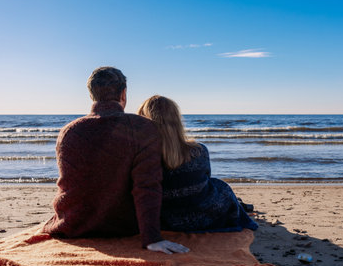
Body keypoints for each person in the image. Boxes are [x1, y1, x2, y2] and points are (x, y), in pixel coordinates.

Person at [43, 67, 189, 255]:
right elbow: (147, 186)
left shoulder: (69, 131)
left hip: (73, 225)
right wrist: (152, 238)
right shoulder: (142, 128)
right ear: (124, 93)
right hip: (123, 227)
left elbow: (71, 184)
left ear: (91, 95)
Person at [137, 95, 258, 232]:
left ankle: (240, 204)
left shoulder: (141, 156)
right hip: (202, 217)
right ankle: (240, 206)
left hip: (165, 219)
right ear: (177, 121)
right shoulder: (198, 151)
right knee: (220, 186)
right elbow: (205, 179)